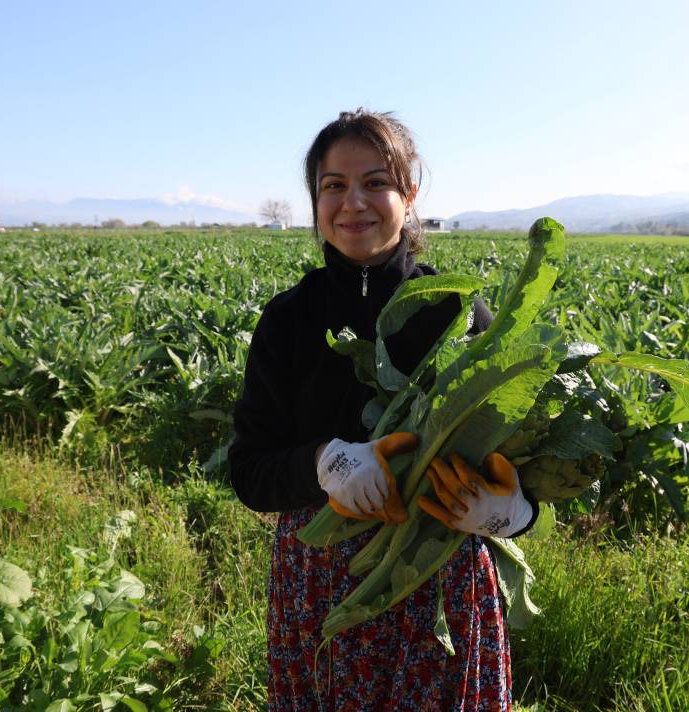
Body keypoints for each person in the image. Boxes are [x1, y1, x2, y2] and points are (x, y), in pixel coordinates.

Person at [229, 109, 539, 711]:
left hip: (440, 583)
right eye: (334, 186)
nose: (354, 204)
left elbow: (524, 457)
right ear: (315, 199)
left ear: (409, 193)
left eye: (376, 182)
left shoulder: (457, 313)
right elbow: (249, 471)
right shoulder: (288, 321)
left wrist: (512, 511)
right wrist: (324, 463)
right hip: (321, 586)